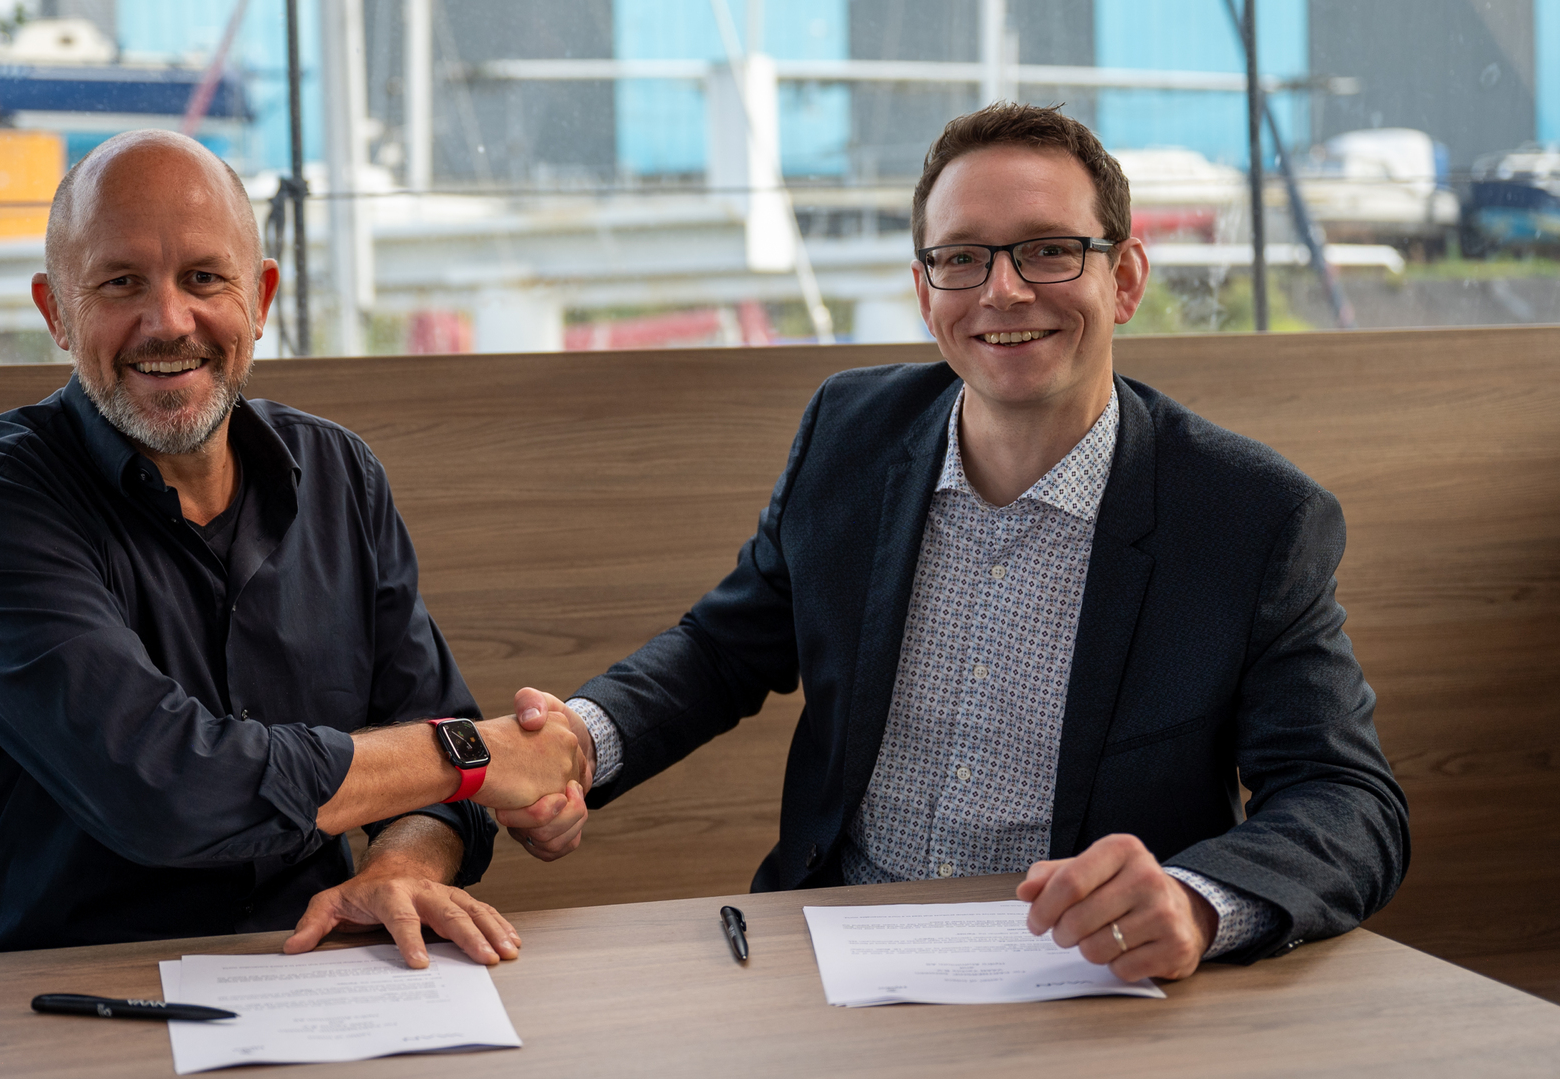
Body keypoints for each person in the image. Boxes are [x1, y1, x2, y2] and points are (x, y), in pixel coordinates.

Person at [501, 103, 1409, 982]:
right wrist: (582, 741)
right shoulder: (845, 432)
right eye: (961, 259)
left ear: (1125, 278)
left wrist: (1197, 902)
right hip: (830, 951)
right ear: (924, 289)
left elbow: (1347, 800)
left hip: (1083, 980)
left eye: (1050, 250)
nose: (1001, 290)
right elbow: (721, 649)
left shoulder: (1251, 517)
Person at [0, 130, 585, 969]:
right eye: (121, 282)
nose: (168, 322)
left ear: (261, 297)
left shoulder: (340, 473)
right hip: (60, 995)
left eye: (204, 278)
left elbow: (436, 760)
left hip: (312, 973)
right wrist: (477, 755)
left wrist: (399, 865)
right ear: (57, 311)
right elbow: (166, 788)